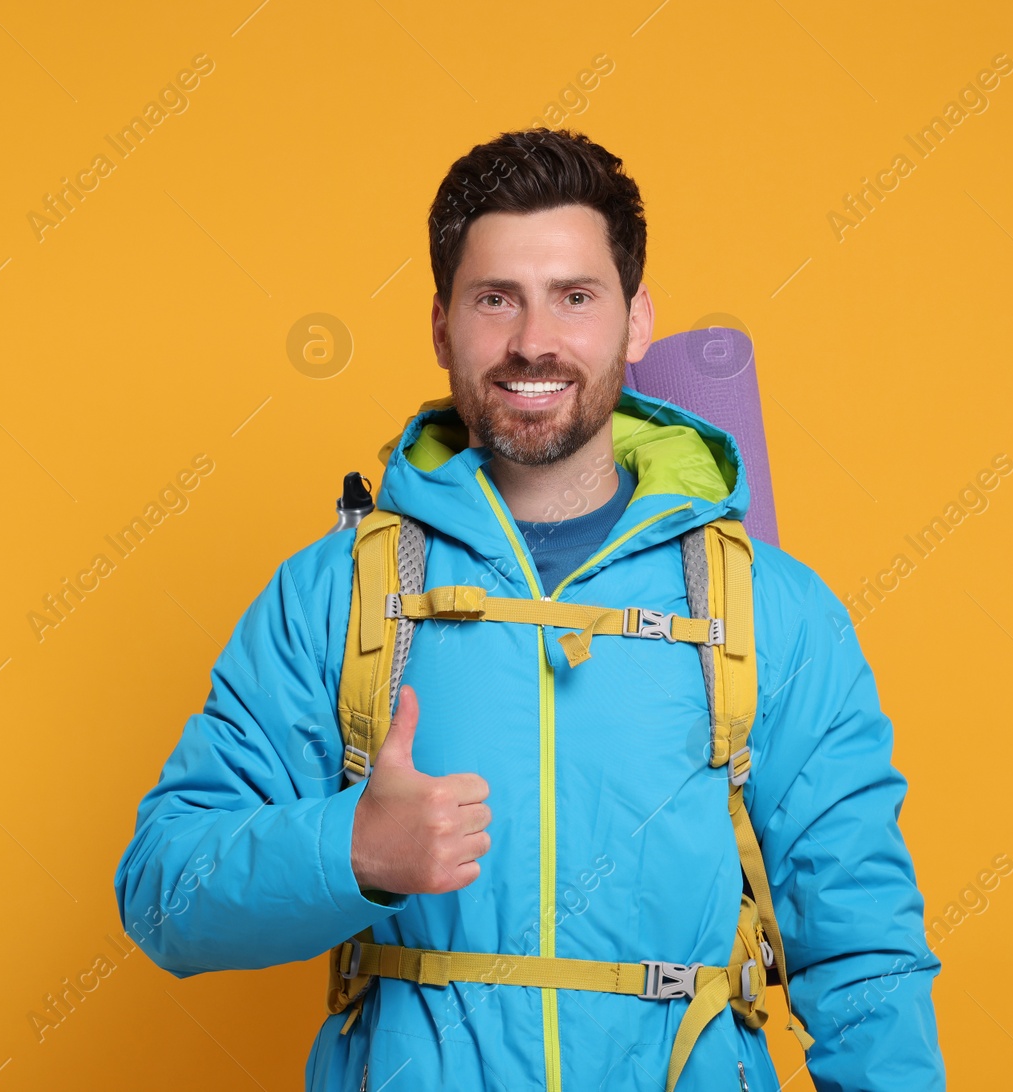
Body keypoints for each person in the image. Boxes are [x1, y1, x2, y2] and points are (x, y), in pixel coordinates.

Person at [114, 128, 945, 1091]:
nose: (533, 342)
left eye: (576, 297)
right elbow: (163, 894)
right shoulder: (335, 595)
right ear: (440, 325)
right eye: (495, 298)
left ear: (636, 322)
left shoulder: (771, 607)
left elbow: (865, 950)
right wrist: (353, 851)